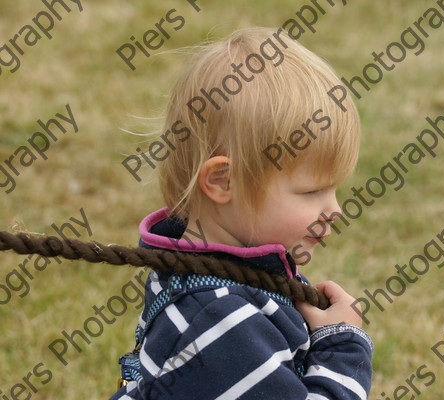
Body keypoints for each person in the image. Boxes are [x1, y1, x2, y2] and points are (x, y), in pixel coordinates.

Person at [109, 27, 373, 400]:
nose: (335, 209)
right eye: (312, 191)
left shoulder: (220, 274)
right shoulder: (219, 320)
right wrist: (343, 345)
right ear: (223, 181)